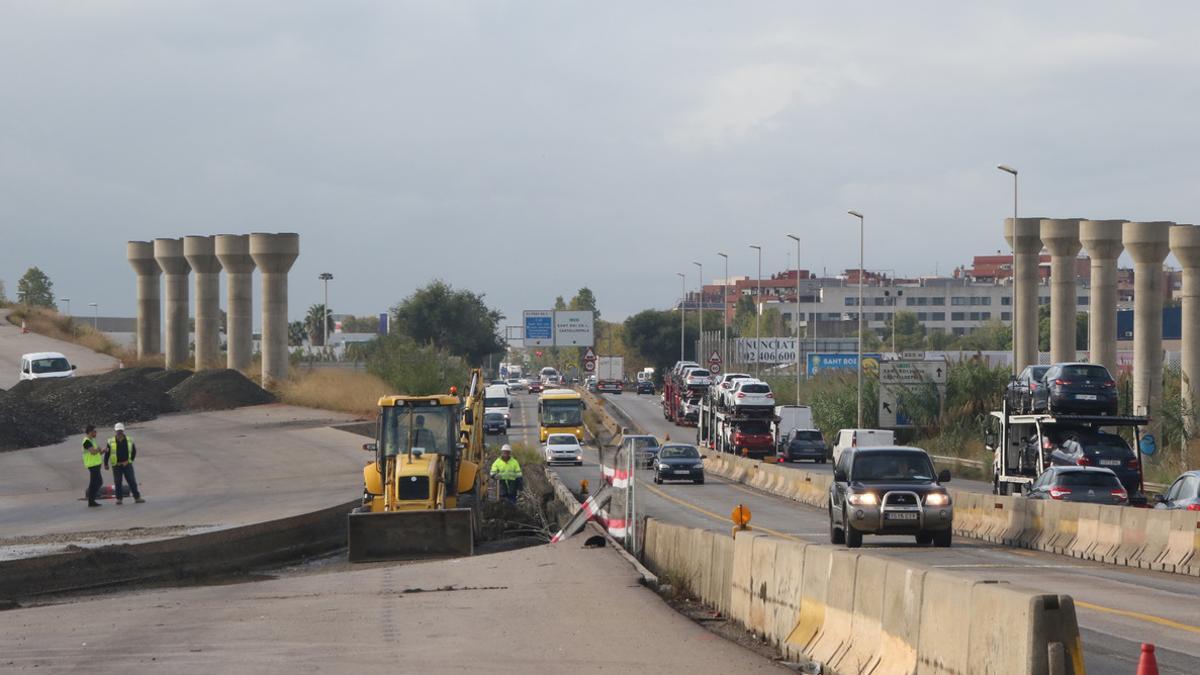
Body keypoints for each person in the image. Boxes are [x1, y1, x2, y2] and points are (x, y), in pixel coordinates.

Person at [105, 423, 145, 504]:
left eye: (120, 431)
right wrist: (105, 463)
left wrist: (129, 461)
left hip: (127, 464)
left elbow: (134, 451)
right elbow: (107, 453)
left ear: (123, 431)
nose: (119, 432)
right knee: (118, 482)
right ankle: (119, 499)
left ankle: (137, 497)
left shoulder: (129, 440)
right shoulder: (110, 441)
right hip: (116, 465)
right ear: (115, 431)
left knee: (132, 481)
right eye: (117, 431)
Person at [82, 424, 104, 507]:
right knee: (95, 483)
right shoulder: (86, 441)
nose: (96, 433)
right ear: (90, 432)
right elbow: (93, 452)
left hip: (96, 464)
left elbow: (97, 451)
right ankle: (91, 501)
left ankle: (92, 500)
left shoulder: (92, 440)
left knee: (97, 482)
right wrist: (98, 449)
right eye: (95, 431)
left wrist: (102, 451)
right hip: (92, 465)